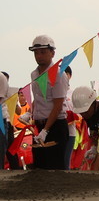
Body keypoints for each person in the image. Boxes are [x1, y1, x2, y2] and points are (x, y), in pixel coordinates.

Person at [29, 35, 69, 169]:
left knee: (55, 169)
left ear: (52, 53)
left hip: (55, 126)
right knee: (39, 167)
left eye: (43, 52)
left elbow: (57, 105)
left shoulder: (58, 74)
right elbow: (38, 97)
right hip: (40, 125)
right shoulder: (34, 74)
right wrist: (30, 113)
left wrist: (46, 130)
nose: (39, 56)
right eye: (36, 52)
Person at [63, 66, 76, 170]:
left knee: (66, 158)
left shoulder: (74, 94)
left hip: (70, 131)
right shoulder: (53, 92)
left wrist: (73, 117)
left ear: (70, 76)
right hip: (56, 130)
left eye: (65, 74)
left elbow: (80, 112)